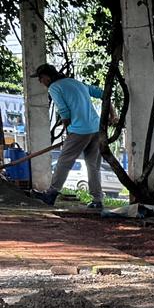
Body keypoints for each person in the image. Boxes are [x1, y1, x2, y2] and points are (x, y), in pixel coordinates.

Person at [31, 63, 106, 209]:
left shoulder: (54, 87)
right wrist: (111, 114)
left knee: (64, 161)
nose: (40, 82)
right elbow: (101, 92)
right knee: (93, 165)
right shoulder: (76, 82)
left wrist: (68, 130)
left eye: (40, 79)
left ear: (46, 77)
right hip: (95, 128)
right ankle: (97, 200)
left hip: (79, 130)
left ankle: (51, 194)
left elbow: (64, 112)